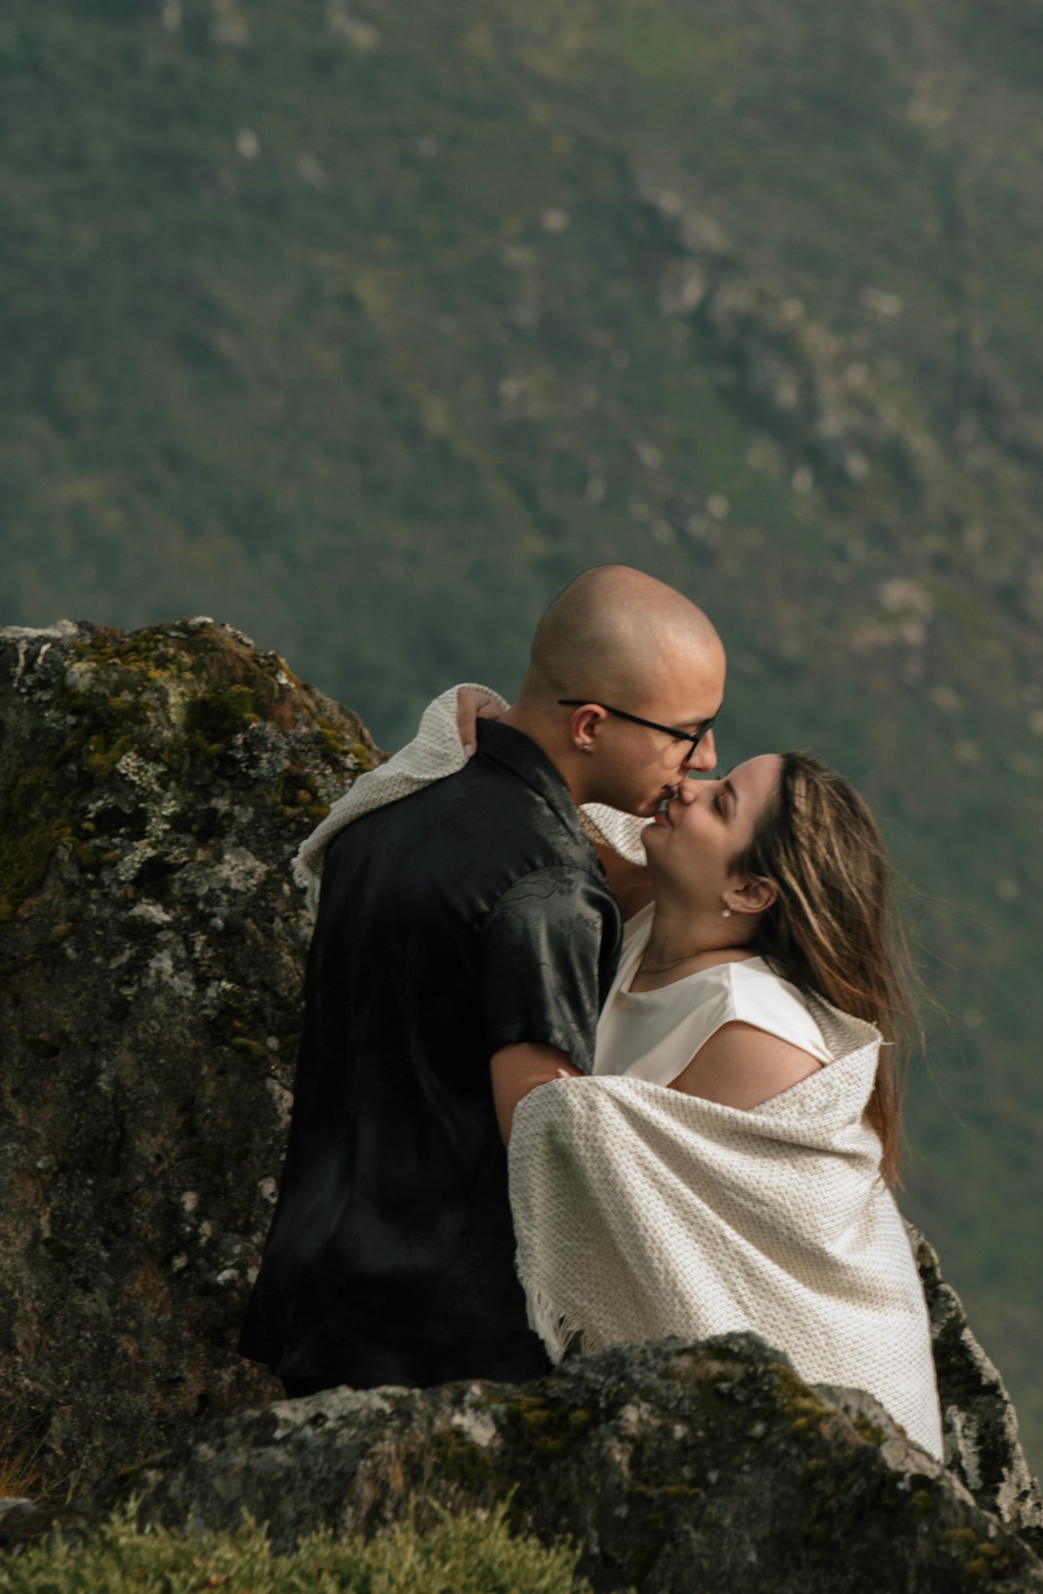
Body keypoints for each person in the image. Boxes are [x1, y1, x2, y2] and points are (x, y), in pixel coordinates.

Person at [238, 566, 725, 1392]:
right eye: (689, 730)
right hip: (443, 1342)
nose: (704, 758)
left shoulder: (388, 811)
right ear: (592, 725)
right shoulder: (551, 889)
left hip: (313, 1286)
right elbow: (547, 1146)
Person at [506, 747, 943, 1457]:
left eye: (722, 802)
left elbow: (632, 1196)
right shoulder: (659, 912)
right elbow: (552, 805)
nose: (689, 785)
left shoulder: (751, 1032)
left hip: (825, 1387)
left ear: (750, 893)